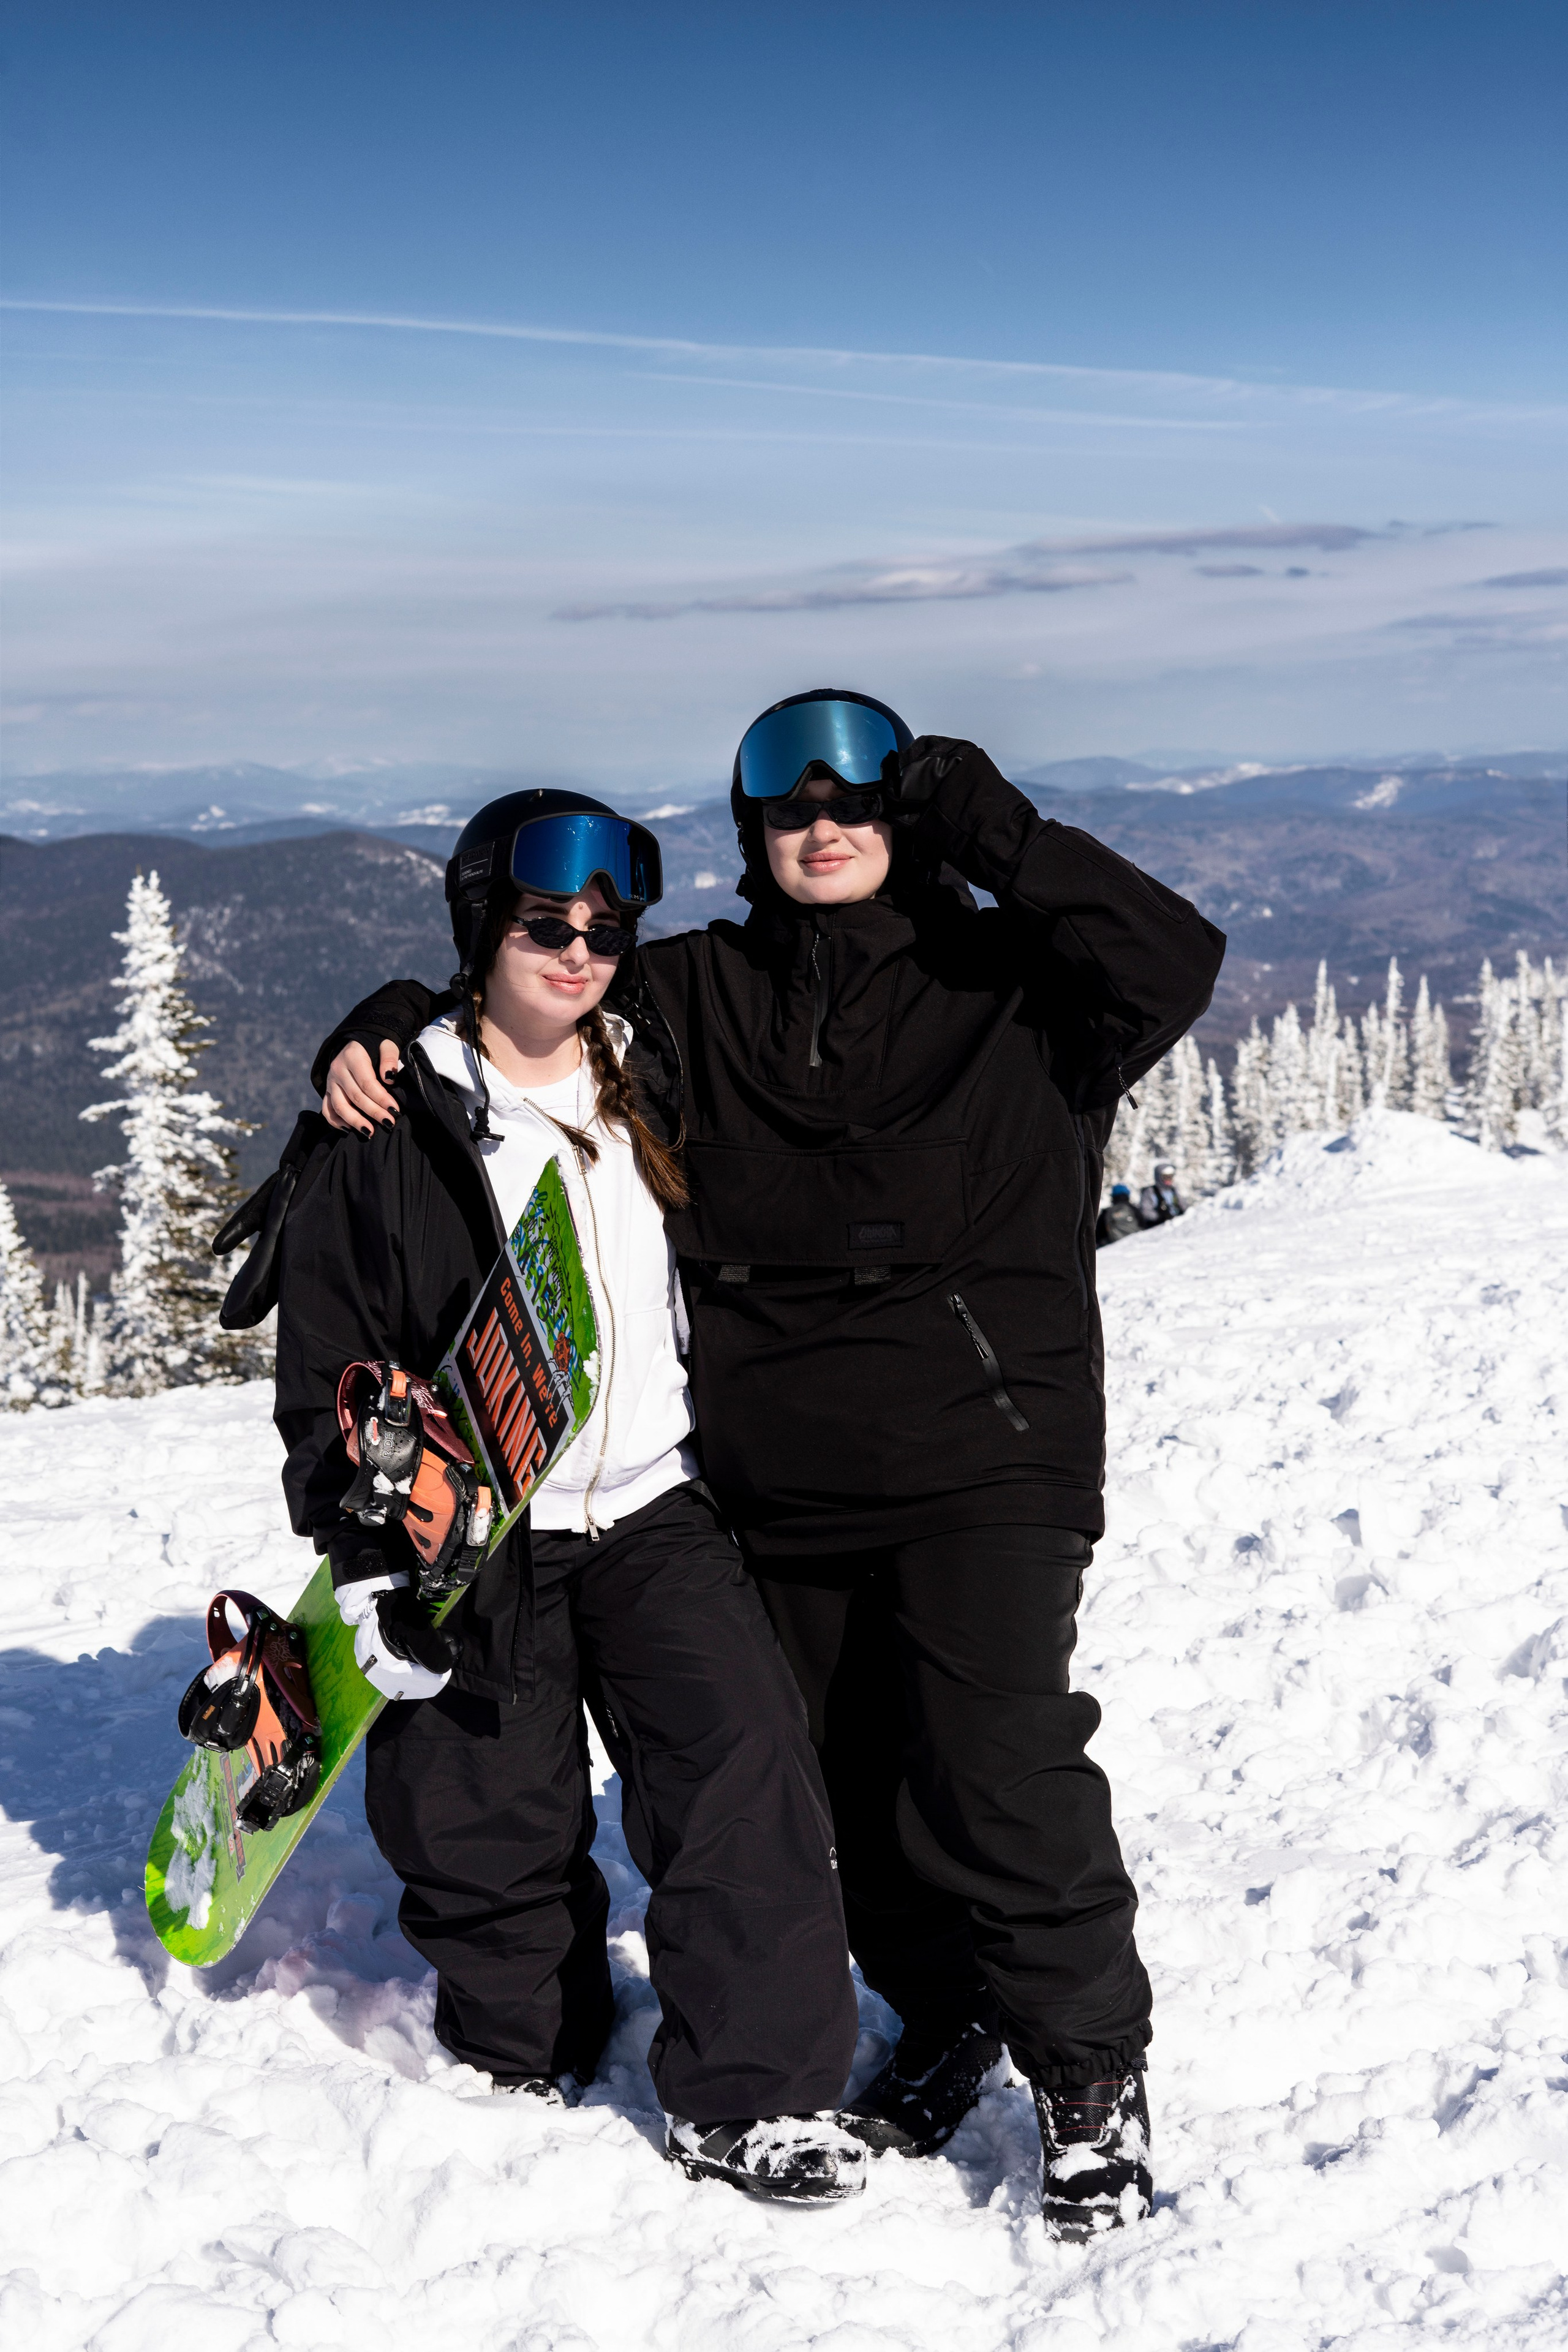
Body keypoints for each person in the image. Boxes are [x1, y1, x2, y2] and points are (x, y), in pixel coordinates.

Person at [314, 693, 1226, 2239]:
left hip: (984, 1461)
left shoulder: (1023, 987)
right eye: (788, 803)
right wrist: (386, 1021)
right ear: (748, 833)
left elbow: (1171, 958)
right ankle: (941, 2009)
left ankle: (1085, 2077)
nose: (823, 821)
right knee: (839, 1785)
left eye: (860, 797)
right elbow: (535, 992)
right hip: (773, 1479)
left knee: (997, 1764)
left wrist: (988, 824)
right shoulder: (697, 992)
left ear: (906, 815)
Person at [273, 788, 863, 2203]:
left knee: (743, 1778)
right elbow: (327, 1366)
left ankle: (755, 2095)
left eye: (605, 927)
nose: (579, 947)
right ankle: (521, 2043)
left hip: (655, 1508)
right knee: (486, 1823)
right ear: (484, 924)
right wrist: (367, 1554)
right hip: (480, 1534)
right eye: (545, 922)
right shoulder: (390, 1123)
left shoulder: (651, 1064)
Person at [1137, 1160, 1186, 1225]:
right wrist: (1160, 1217)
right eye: (1166, 1177)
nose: (1169, 1180)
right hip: (1158, 1226)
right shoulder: (1151, 1192)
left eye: (1171, 1177)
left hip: (1177, 1223)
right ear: (1159, 1177)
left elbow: (1183, 1205)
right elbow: (1145, 1211)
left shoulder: (1173, 1190)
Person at [1095, 1182, 1141, 1248]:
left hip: (1113, 1247)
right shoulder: (1133, 1209)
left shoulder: (1106, 1213)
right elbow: (1143, 1224)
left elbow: (1098, 1234)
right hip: (1136, 1244)